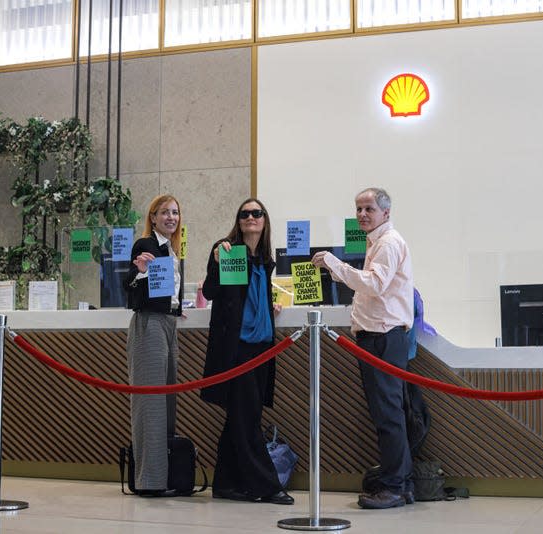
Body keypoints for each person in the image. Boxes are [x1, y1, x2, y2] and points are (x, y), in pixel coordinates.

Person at [311, 187, 415, 509]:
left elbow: (373, 284)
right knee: (386, 413)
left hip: (384, 338)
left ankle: (396, 487)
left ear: (386, 212)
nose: (361, 215)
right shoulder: (377, 243)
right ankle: (399, 482)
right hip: (377, 337)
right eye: (358, 208)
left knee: (388, 415)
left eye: (368, 208)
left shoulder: (388, 243)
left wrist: (333, 264)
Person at [200, 198, 293, 505]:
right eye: (245, 214)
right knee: (247, 418)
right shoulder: (227, 250)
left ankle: (226, 484)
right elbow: (212, 292)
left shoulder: (264, 260)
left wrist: (269, 306)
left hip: (262, 348)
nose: (251, 217)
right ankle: (265, 485)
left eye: (257, 213)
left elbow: (252, 297)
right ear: (238, 221)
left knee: (241, 417)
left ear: (265, 220)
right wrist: (215, 260)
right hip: (236, 349)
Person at [124, 194, 184, 497]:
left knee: (167, 402)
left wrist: (177, 305)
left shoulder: (173, 249)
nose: (170, 217)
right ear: (153, 217)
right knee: (151, 404)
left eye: (174, 212)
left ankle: (164, 476)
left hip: (169, 321)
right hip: (149, 323)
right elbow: (132, 281)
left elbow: (167, 289)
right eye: (164, 213)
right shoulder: (144, 245)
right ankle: (150, 481)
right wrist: (142, 271)